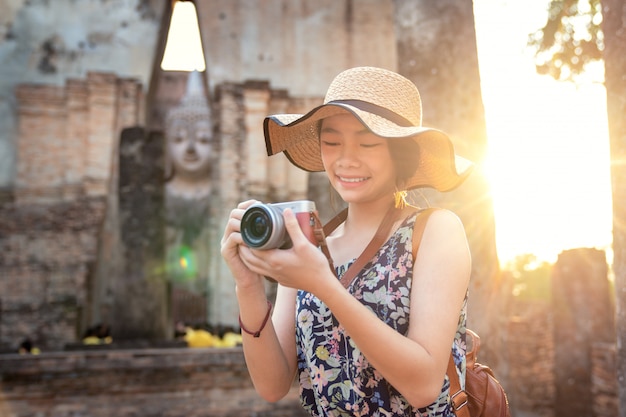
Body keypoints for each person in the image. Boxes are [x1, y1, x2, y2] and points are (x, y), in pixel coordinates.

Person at [221, 66, 473, 416]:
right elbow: (272, 385)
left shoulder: (435, 231)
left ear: (399, 152)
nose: (346, 159)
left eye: (368, 142)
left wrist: (324, 285)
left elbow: (423, 385)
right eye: (332, 142)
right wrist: (247, 284)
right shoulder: (306, 246)